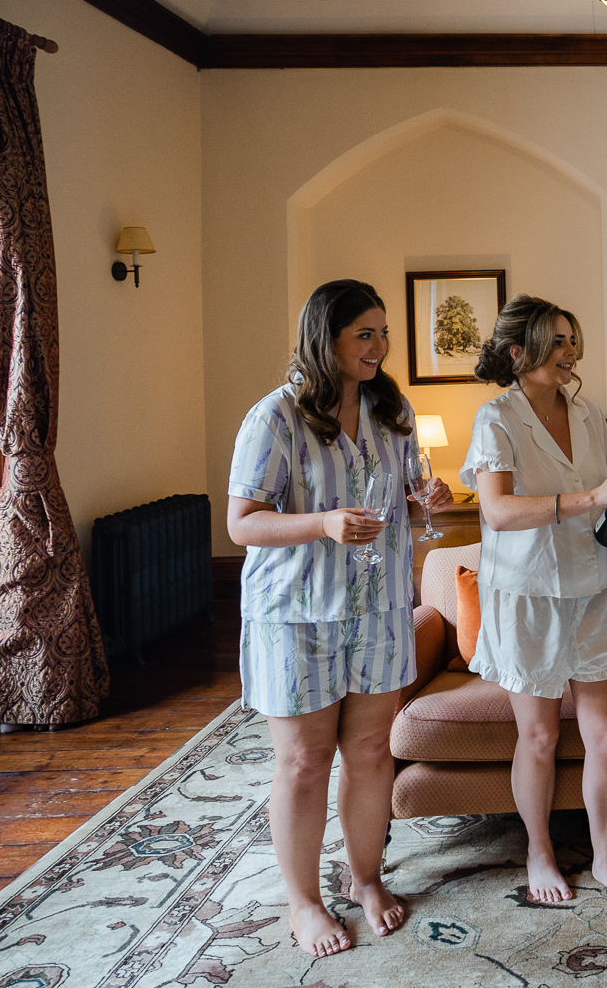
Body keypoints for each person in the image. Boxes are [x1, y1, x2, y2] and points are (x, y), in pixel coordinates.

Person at [227, 279, 453, 957]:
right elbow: (242, 524)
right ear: (324, 339)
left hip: (379, 612)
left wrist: (426, 502)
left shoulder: (392, 412)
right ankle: (303, 904)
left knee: (369, 751)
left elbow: (402, 504)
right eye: (365, 334)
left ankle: (364, 878)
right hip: (297, 615)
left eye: (383, 334)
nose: (380, 348)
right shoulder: (273, 418)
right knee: (303, 762)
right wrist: (322, 523)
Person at [461, 294, 607, 911]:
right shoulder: (496, 418)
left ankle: (605, 861)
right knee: (540, 737)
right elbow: (496, 511)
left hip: (593, 585)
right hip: (526, 594)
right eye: (558, 342)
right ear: (518, 352)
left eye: (574, 340)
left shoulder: (588, 412)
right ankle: (539, 850)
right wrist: (592, 497)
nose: (571, 353)